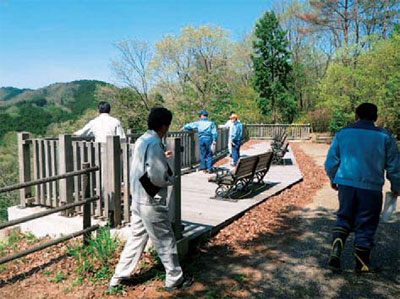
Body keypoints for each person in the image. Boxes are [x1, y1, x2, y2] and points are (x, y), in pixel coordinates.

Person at [109, 108, 192, 291]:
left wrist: (162, 157)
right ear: (164, 125)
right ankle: (175, 279)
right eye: (168, 125)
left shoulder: (142, 140)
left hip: (138, 198)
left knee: (136, 239)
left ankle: (118, 277)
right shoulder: (155, 142)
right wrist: (170, 179)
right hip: (151, 201)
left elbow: (145, 165)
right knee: (165, 240)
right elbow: (156, 177)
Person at [325, 103, 399, 273]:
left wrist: (333, 178)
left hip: (346, 184)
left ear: (356, 116)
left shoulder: (343, 134)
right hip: (371, 187)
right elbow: (394, 166)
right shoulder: (386, 137)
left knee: (344, 216)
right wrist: (396, 186)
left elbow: (331, 162)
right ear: (375, 118)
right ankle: (362, 262)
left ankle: (337, 245)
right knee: (366, 222)